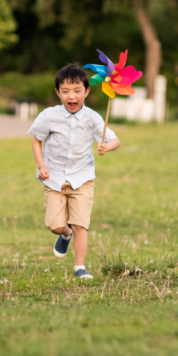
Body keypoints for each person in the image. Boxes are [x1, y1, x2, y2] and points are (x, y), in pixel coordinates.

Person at [28, 63, 120, 279]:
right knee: (55, 225)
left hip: (82, 178)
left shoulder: (93, 118)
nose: (72, 96)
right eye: (66, 91)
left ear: (87, 92)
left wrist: (107, 146)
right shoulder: (48, 116)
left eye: (77, 91)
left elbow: (115, 140)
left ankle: (80, 267)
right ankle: (65, 234)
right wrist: (41, 166)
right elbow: (36, 141)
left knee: (81, 224)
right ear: (57, 93)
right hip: (54, 179)